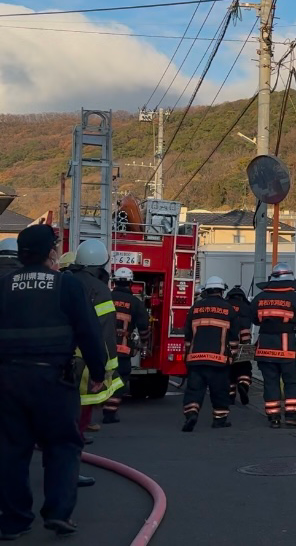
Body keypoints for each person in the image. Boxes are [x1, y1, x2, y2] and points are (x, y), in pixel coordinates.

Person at [0, 225, 109, 538]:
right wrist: (98, 374)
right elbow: (89, 333)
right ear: (51, 251)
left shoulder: (3, 286)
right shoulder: (67, 285)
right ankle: (58, 513)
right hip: (53, 380)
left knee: (11, 450)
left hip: (9, 380)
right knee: (62, 444)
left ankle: (14, 520)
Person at [66, 240, 122, 435]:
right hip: (86, 359)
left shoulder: (64, 279)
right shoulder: (99, 289)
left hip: (58, 356)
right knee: (83, 402)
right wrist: (107, 367)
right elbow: (105, 331)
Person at [253, 263, 296, 428]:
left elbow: (253, 319)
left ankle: (273, 417)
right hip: (288, 350)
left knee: (270, 382)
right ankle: (292, 416)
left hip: (265, 348)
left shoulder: (260, 298)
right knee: (293, 382)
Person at [181, 277, 239, 432]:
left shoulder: (195, 307)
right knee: (220, 391)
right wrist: (232, 355)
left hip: (196, 359)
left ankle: (191, 414)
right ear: (221, 290)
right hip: (218, 360)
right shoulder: (228, 309)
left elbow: (187, 334)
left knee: (194, 390)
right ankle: (219, 420)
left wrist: (187, 353)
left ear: (206, 290)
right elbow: (234, 336)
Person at [105, 267, 149, 424]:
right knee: (120, 379)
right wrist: (144, 342)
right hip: (123, 350)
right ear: (131, 283)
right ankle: (110, 412)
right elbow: (144, 326)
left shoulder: (106, 297)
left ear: (115, 281)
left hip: (103, 348)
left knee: (101, 376)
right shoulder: (135, 303)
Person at [226, 284, 254, 406]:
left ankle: (231, 396)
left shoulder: (225, 305)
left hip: (226, 344)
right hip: (245, 343)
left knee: (229, 371)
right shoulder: (247, 307)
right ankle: (243, 384)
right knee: (245, 368)